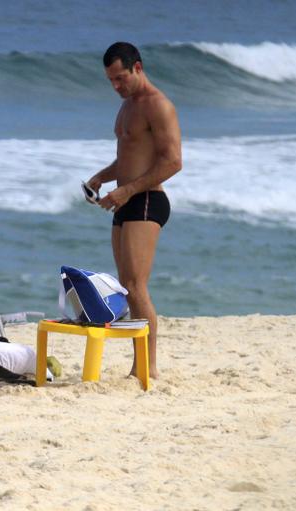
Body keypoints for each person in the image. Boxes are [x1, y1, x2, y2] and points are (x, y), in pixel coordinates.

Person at [87, 42, 182, 379]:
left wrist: (126, 190)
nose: (116, 86)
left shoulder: (159, 105)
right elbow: (129, 158)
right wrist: (102, 177)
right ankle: (138, 364)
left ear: (138, 68)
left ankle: (149, 367)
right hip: (125, 201)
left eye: (121, 78)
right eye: (111, 80)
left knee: (137, 286)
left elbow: (173, 162)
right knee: (127, 286)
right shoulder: (127, 105)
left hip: (145, 200)